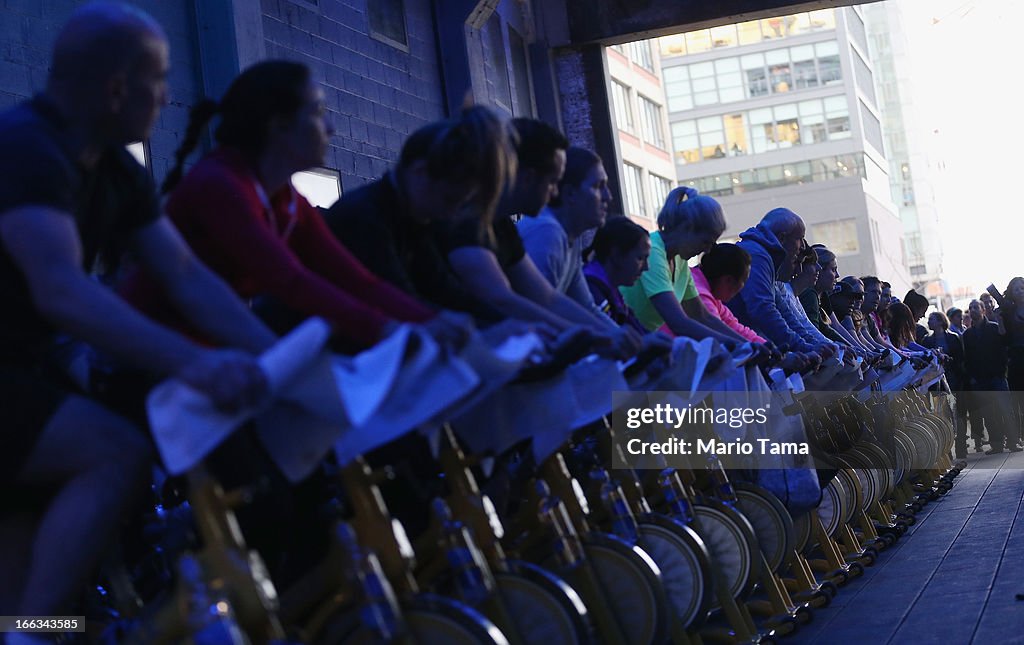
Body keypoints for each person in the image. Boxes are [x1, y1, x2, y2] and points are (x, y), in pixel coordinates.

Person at [0, 3, 276, 619]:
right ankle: (37, 636)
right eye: (159, 80)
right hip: (11, 375)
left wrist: (276, 357)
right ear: (118, 88)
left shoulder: (118, 170)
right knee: (115, 451)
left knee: (20, 579)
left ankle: (28, 630)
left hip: (23, 375)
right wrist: (196, 364)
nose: (166, 96)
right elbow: (62, 290)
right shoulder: (28, 152)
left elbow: (182, 275)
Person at [122, 60, 465, 350]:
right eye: (318, 112)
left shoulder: (287, 198)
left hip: (210, 348)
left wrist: (432, 319)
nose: (330, 128)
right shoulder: (220, 185)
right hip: (151, 348)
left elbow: (358, 280)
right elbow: (290, 280)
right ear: (279, 125)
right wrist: (383, 329)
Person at [437, 123, 640, 357]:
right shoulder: (479, 220)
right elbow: (504, 299)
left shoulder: (501, 225)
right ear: (527, 178)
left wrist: (615, 337)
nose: (554, 193)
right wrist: (599, 339)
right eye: (553, 182)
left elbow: (549, 297)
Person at [325, 105, 515, 323]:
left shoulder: (407, 217)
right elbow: (400, 302)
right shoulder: (363, 218)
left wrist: (507, 324)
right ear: (420, 173)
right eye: (449, 200)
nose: (452, 214)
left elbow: (443, 290)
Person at [620, 187, 751, 345]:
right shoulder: (653, 252)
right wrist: (740, 345)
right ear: (687, 228)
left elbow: (701, 314)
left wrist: (747, 344)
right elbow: (678, 322)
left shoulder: (679, 259)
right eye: (705, 242)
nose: (708, 250)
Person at [728, 208, 830, 361]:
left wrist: (812, 345)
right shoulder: (758, 256)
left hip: (748, 345)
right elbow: (764, 311)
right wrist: (804, 347)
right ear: (782, 238)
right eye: (800, 238)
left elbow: (786, 314)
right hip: (739, 350)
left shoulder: (766, 256)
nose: (802, 246)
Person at [963, 299, 1018, 453]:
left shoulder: (994, 328)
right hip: (980, 379)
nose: (973, 310)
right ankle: (997, 444)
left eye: (976, 307)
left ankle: (1013, 442)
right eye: (970, 307)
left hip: (997, 376)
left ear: (983, 310)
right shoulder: (967, 334)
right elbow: (967, 357)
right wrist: (972, 377)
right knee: (989, 414)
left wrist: (1002, 370)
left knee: (1005, 410)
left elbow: (1005, 344)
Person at [582, 216, 650, 334]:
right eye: (640, 258)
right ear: (616, 255)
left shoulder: (610, 289)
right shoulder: (592, 290)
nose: (646, 268)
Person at [692, 243, 766, 343]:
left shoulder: (712, 295)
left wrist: (765, 345)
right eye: (743, 281)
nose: (743, 287)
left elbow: (733, 325)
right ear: (728, 280)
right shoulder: (701, 296)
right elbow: (718, 334)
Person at [922, 311, 967, 457]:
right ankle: (947, 452)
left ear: (941, 321)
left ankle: (961, 448)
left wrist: (949, 360)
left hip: (953, 379)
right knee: (942, 415)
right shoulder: (927, 340)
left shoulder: (953, 338)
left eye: (932, 319)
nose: (929, 322)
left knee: (958, 413)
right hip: (936, 383)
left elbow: (960, 358)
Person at [799, 244, 847, 345]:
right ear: (819, 270)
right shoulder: (809, 294)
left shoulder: (820, 294)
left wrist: (854, 348)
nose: (837, 275)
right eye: (833, 270)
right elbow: (813, 331)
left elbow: (827, 329)